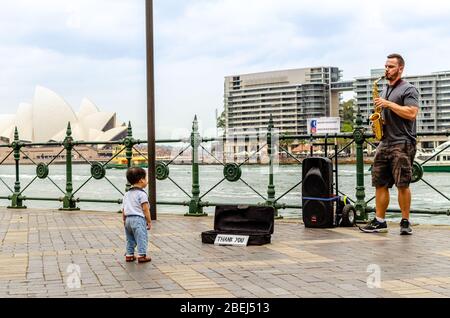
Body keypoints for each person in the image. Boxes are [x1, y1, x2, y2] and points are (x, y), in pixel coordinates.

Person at [360, 53, 419, 235]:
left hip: (402, 142)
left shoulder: (409, 89)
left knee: (403, 184)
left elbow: (411, 113)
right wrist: (379, 122)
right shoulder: (384, 89)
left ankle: (405, 222)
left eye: (391, 67)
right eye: (386, 66)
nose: (387, 69)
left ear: (400, 68)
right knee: (379, 183)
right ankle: (380, 221)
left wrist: (388, 104)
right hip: (384, 141)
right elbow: (385, 112)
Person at [122, 167, 152, 262]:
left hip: (128, 220)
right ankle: (142, 255)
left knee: (130, 238)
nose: (147, 181)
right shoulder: (142, 194)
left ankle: (129, 255)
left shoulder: (126, 194)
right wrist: (149, 221)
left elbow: (123, 209)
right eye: (146, 179)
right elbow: (145, 209)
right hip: (138, 219)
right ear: (141, 180)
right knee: (141, 237)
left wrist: (124, 220)